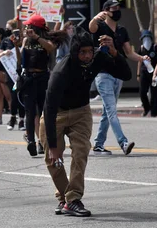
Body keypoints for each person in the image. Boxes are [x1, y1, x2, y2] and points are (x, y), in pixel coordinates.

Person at [41, 30, 131, 217]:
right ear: (75, 52)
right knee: (53, 159)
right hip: (56, 114)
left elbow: (126, 74)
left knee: (80, 152)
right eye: (83, 52)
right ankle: (65, 198)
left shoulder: (97, 58)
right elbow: (49, 108)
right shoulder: (61, 70)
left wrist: (115, 52)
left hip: (81, 112)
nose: (87, 56)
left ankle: (72, 199)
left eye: (90, 51)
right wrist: (53, 145)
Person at [88, 0, 145, 155]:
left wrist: (142, 58)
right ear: (106, 11)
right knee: (112, 110)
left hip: (118, 75)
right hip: (103, 75)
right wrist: (95, 18)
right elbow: (91, 28)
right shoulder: (99, 26)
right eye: (114, 8)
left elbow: (129, 52)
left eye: (119, 8)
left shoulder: (122, 30)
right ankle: (123, 142)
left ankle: (99, 144)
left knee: (107, 111)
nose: (117, 11)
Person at [19, 14, 58, 157]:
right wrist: (19, 45)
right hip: (28, 78)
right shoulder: (25, 40)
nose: (27, 28)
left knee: (44, 112)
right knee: (30, 112)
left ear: (36, 27)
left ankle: (43, 142)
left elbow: (50, 48)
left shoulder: (46, 39)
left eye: (29, 26)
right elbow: (20, 58)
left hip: (43, 78)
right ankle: (31, 141)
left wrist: (36, 37)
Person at [137, 30, 157, 117]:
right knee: (142, 92)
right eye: (144, 38)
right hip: (144, 72)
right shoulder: (141, 48)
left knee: (154, 92)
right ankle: (146, 108)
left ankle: (154, 112)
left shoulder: (155, 48)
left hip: (154, 72)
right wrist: (138, 74)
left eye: (148, 37)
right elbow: (139, 61)